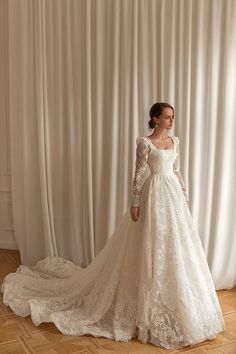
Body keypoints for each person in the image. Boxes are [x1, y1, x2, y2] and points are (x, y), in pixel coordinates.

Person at [1, 102, 225, 350]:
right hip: (153, 195)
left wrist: (184, 196)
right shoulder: (144, 142)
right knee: (149, 246)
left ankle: (176, 304)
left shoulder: (175, 142)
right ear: (155, 118)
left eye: (173, 117)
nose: (172, 121)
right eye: (167, 117)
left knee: (176, 249)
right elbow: (139, 174)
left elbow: (178, 171)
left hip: (172, 197)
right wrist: (135, 202)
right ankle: (144, 307)